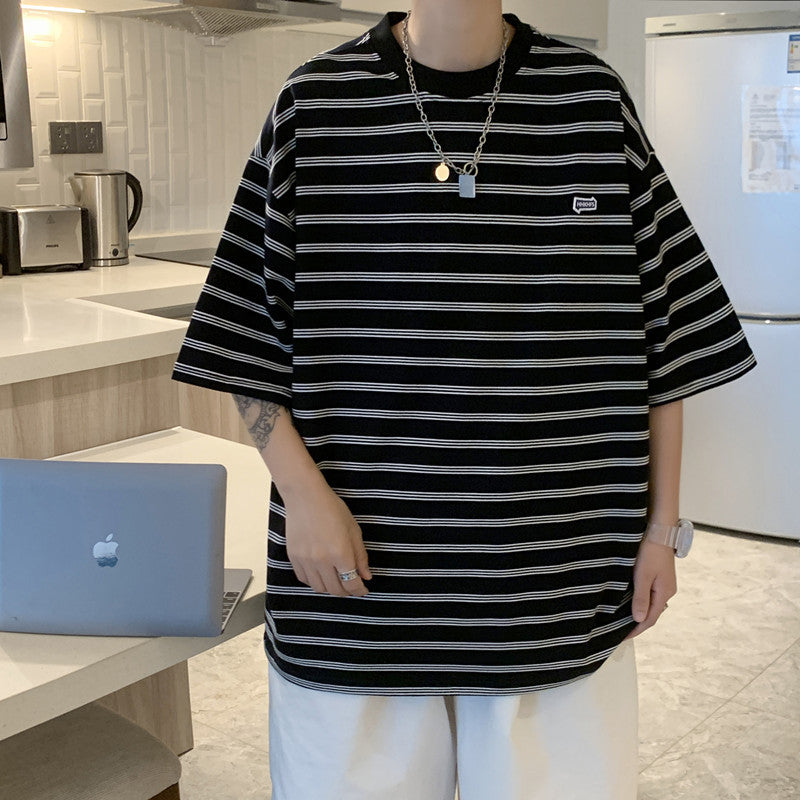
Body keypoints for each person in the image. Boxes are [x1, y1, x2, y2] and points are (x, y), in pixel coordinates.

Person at [172, 2, 757, 798]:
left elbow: (669, 336)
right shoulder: (313, 102)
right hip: (355, 583)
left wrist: (663, 529)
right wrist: (303, 498)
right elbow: (246, 332)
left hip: (555, 575)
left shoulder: (590, 99)